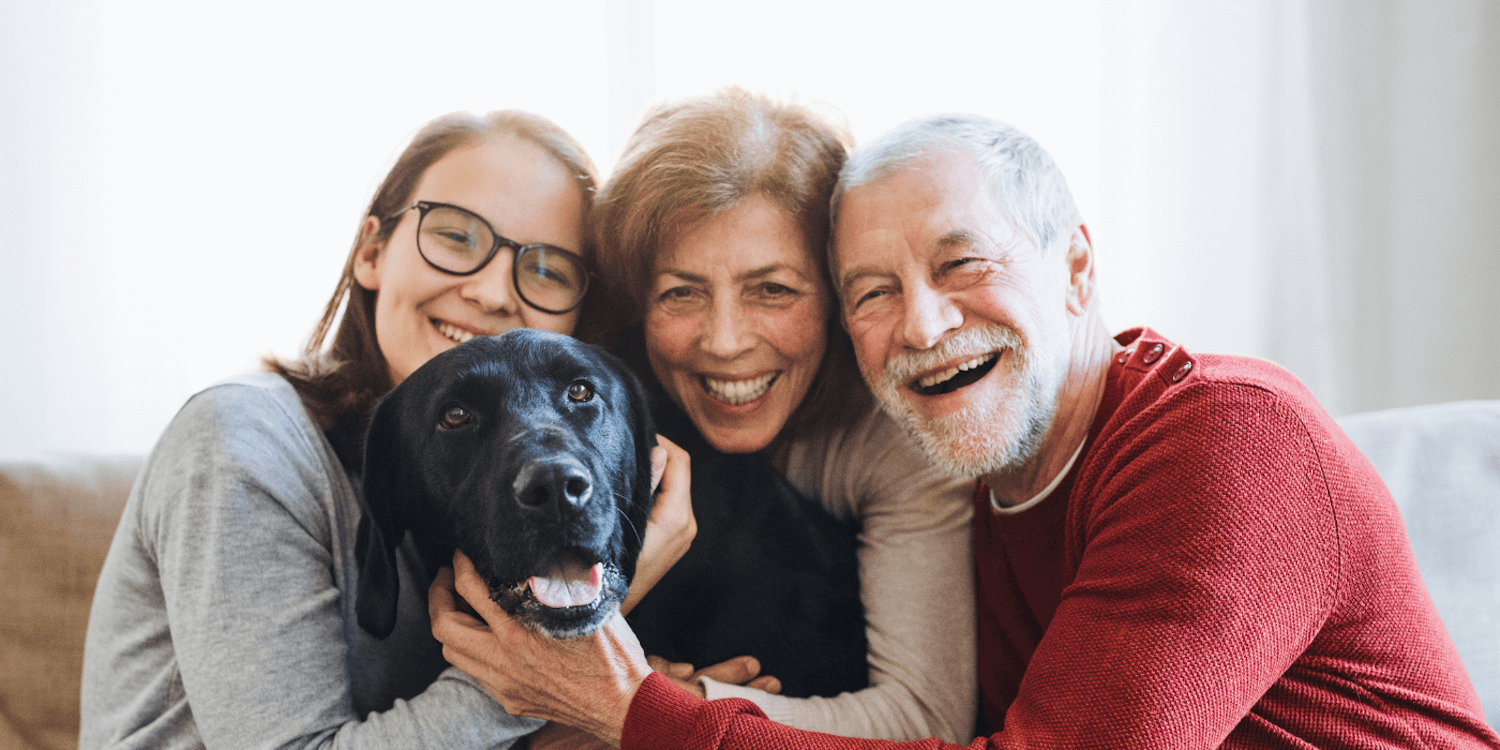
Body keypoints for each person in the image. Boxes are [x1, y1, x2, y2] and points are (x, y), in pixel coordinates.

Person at [429, 113, 1500, 749]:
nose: (926, 325)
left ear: (1078, 269)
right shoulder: (963, 462)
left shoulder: (1224, 443)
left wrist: (641, 712)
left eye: (964, 264)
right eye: (874, 290)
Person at [78, 110, 695, 749]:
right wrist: (585, 633)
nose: (490, 292)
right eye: (457, 237)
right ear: (370, 253)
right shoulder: (242, 439)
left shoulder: (510, 475)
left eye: (546, 270)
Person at [565, 88, 974, 743]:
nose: (725, 341)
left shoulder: (900, 428)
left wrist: (673, 704)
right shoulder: (593, 399)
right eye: (682, 292)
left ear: (840, 291)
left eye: (773, 290)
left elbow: (925, 720)